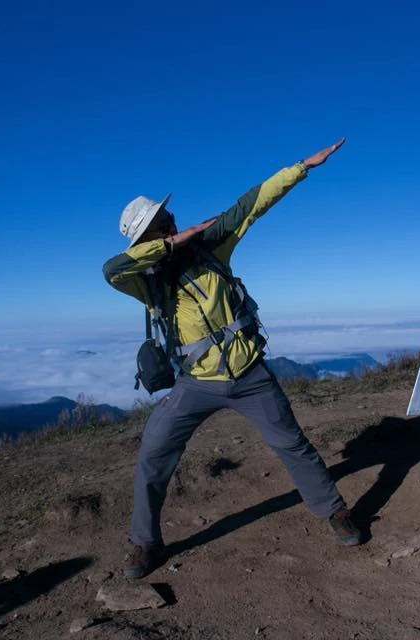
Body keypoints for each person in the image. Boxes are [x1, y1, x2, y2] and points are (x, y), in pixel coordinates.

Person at [102, 139, 360, 579]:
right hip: (194, 383)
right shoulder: (145, 279)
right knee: (153, 454)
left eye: (168, 217)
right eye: (163, 223)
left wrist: (302, 166)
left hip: (248, 373)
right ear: (149, 238)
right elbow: (111, 269)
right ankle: (144, 543)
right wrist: (169, 246)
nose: (172, 221)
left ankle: (335, 511)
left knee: (291, 443)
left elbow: (253, 203)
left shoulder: (211, 246)